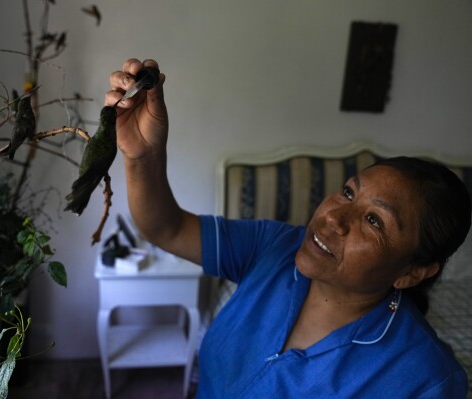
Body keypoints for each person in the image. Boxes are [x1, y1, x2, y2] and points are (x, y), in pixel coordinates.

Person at [106, 58, 471, 398]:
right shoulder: (276, 247)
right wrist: (143, 157)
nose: (333, 218)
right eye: (347, 192)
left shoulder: (427, 380)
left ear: (412, 272)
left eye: (374, 221)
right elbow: (165, 229)